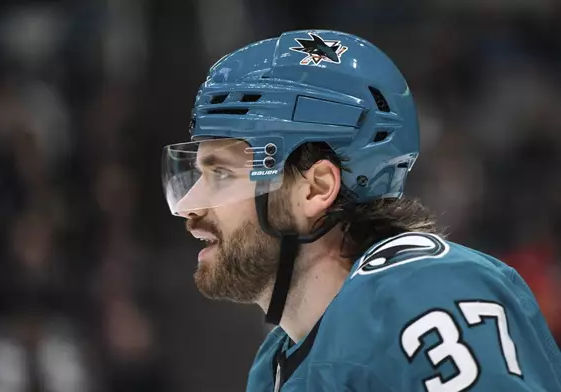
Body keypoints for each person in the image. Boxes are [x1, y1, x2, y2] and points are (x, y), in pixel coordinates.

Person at [161, 30, 561, 391]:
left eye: (222, 174)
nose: (189, 207)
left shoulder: (425, 294)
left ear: (316, 187)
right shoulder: (272, 368)